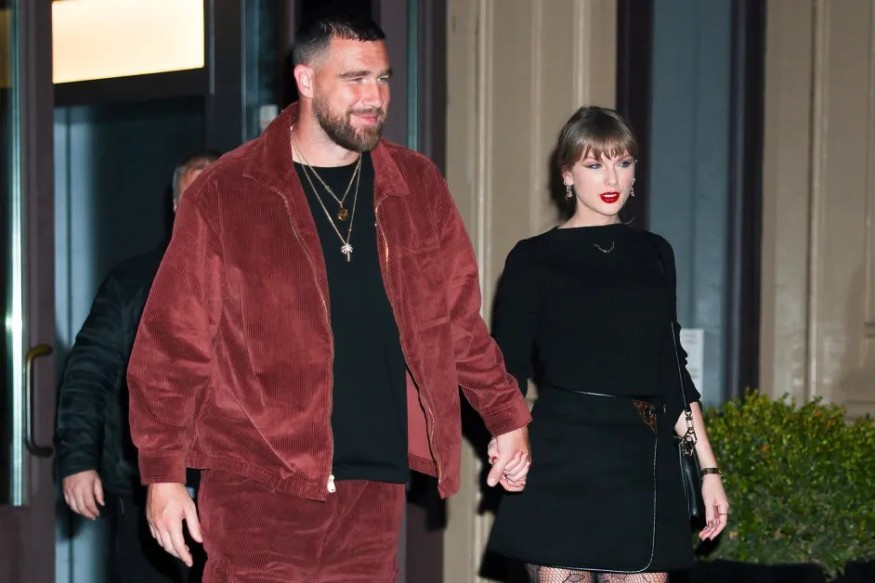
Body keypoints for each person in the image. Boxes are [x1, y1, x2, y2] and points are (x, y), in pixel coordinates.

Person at [126, 14, 532, 582]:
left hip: (373, 488)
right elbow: (173, 344)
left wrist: (505, 416)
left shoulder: (417, 186)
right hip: (258, 484)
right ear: (306, 80)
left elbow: (457, 322)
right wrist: (163, 474)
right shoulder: (227, 192)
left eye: (383, 79)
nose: (374, 97)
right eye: (355, 78)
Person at [486, 106, 730, 583]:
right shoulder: (533, 258)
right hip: (562, 453)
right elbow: (507, 368)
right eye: (595, 164)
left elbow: (671, 369)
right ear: (567, 174)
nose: (612, 177)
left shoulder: (655, 254)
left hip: (640, 457)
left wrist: (708, 471)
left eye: (623, 162)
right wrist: (506, 440)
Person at [55, 151, 219, 583]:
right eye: (192, 199)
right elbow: (89, 372)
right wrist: (77, 460)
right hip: (141, 482)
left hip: (234, 490)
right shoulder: (132, 283)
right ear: (175, 207)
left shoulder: (259, 284)